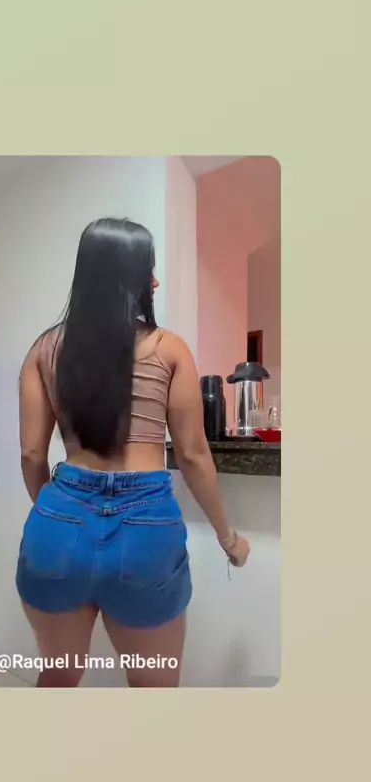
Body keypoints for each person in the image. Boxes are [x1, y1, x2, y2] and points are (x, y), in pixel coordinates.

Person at [17, 217, 250, 688]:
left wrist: (61, 516)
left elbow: (31, 453)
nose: (156, 282)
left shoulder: (44, 349)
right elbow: (192, 454)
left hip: (57, 522)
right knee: (153, 689)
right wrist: (229, 539)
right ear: (126, 277)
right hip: (145, 530)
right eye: (149, 270)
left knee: (57, 678)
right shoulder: (169, 348)